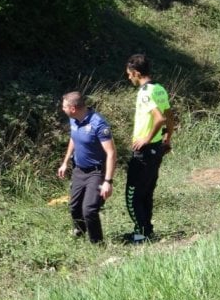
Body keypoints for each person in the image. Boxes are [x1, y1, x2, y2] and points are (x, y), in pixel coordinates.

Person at [124, 54, 175, 242]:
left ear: (137, 73)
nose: (129, 78)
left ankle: (140, 234)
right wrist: (167, 138)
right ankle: (147, 231)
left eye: (129, 74)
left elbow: (159, 118)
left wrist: (146, 138)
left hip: (144, 151)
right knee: (146, 192)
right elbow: (169, 116)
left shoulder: (145, 92)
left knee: (132, 194)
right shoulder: (159, 88)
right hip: (157, 149)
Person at [58, 91, 117, 243]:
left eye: (64, 107)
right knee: (74, 206)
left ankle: (97, 243)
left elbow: (111, 153)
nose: (62, 109)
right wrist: (65, 162)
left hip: (96, 172)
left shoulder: (98, 124)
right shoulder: (74, 120)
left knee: (89, 209)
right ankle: (80, 231)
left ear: (73, 108)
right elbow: (74, 138)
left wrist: (108, 182)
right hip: (79, 170)